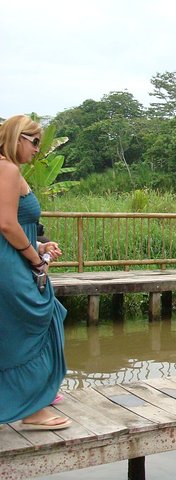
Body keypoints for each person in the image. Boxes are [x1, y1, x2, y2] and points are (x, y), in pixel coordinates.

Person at [0, 115, 70, 430]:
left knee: (16, 329)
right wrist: (36, 259)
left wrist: (39, 246)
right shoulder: (7, 169)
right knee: (37, 323)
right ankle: (33, 408)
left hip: (12, 258)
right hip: (11, 265)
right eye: (34, 142)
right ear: (18, 137)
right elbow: (6, 224)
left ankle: (27, 401)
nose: (38, 149)